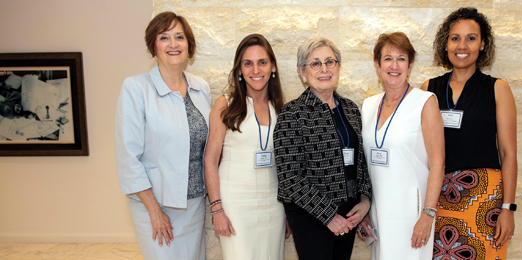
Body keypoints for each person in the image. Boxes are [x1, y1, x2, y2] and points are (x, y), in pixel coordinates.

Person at [421, 7, 518, 259]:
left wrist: (508, 208)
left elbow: (508, 154)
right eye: (455, 38)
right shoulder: (427, 90)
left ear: (483, 44)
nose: (462, 45)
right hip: (438, 198)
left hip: (483, 199)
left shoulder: (498, 89)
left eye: (471, 38)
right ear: (445, 44)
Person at [115, 11, 210, 260]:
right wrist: (154, 210)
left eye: (179, 37)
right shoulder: (136, 88)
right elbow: (128, 157)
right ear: (153, 45)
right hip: (155, 205)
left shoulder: (202, 89)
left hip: (194, 203)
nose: (173, 44)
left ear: (189, 45)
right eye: (164, 37)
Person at [273, 37, 372, 260]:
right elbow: (290, 177)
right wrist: (329, 216)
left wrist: (365, 201)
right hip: (310, 215)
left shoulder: (350, 108)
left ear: (338, 67)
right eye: (315, 63)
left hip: (349, 212)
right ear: (302, 72)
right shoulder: (292, 113)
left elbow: (361, 161)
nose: (324, 69)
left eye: (330, 61)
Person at [357, 32, 445, 260]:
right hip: (378, 212)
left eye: (401, 58)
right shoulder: (368, 105)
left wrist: (427, 215)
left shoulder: (425, 102)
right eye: (387, 59)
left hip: (411, 214)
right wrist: (365, 210)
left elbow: (438, 163)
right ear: (377, 65)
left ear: (410, 64)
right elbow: (363, 165)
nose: (394, 65)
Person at [203, 33, 289, 260]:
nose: (256, 70)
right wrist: (217, 209)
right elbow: (210, 160)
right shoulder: (226, 105)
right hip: (236, 204)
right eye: (247, 63)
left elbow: (287, 165)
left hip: (274, 204)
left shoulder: (282, 109)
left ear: (273, 67)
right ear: (239, 70)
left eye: (262, 62)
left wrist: (290, 212)